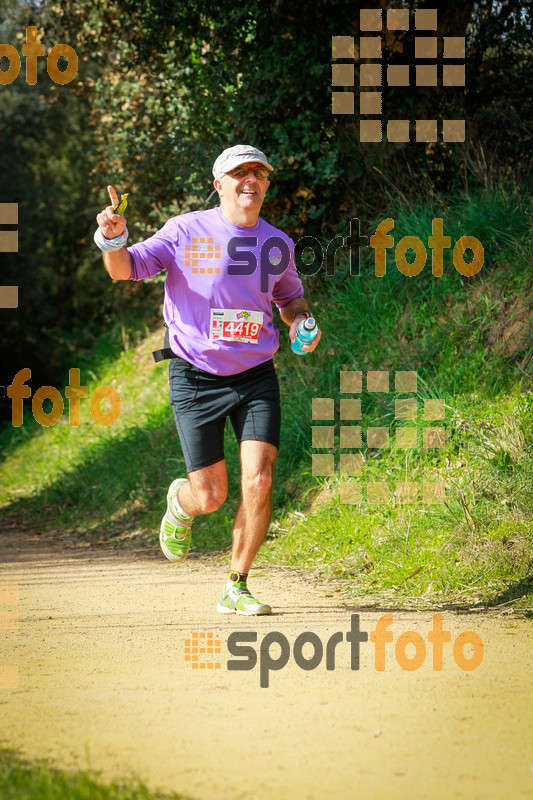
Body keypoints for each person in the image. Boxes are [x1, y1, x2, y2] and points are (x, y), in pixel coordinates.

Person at [95, 144, 321, 615]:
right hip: (196, 376)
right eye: (239, 173)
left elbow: (290, 300)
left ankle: (236, 584)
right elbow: (125, 270)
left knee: (258, 479)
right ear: (219, 184)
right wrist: (112, 239)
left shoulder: (276, 243)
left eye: (259, 173)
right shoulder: (185, 231)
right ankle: (182, 503)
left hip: (256, 374)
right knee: (211, 495)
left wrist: (301, 324)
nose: (250, 180)